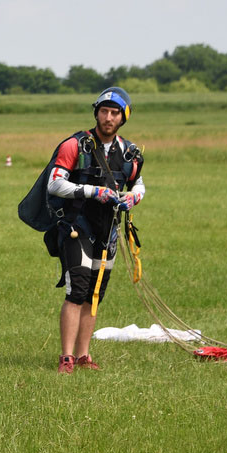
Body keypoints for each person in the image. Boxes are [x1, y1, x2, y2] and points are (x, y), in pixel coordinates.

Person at [45, 87, 145, 373]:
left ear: (123, 117)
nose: (108, 118)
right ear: (96, 113)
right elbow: (54, 184)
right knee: (76, 289)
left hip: (108, 230)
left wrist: (133, 197)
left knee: (94, 293)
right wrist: (93, 192)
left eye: (114, 113)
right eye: (104, 111)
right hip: (77, 227)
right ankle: (66, 357)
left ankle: (83, 355)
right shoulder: (75, 145)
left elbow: (138, 183)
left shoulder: (129, 153)